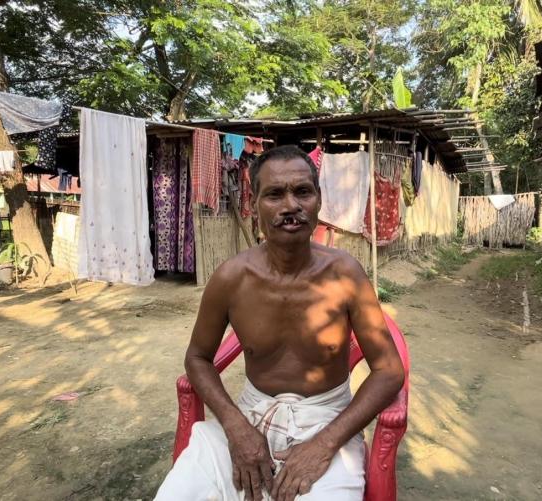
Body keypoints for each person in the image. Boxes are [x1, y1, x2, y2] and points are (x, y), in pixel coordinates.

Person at [155, 145, 405, 501]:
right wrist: (235, 425)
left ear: (318, 200)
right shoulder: (231, 279)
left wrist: (325, 443)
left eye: (303, 191)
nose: (291, 206)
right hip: (250, 415)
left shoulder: (345, 274)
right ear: (254, 203)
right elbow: (197, 357)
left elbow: (389, 371)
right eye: (274, 194)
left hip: (327, 419)